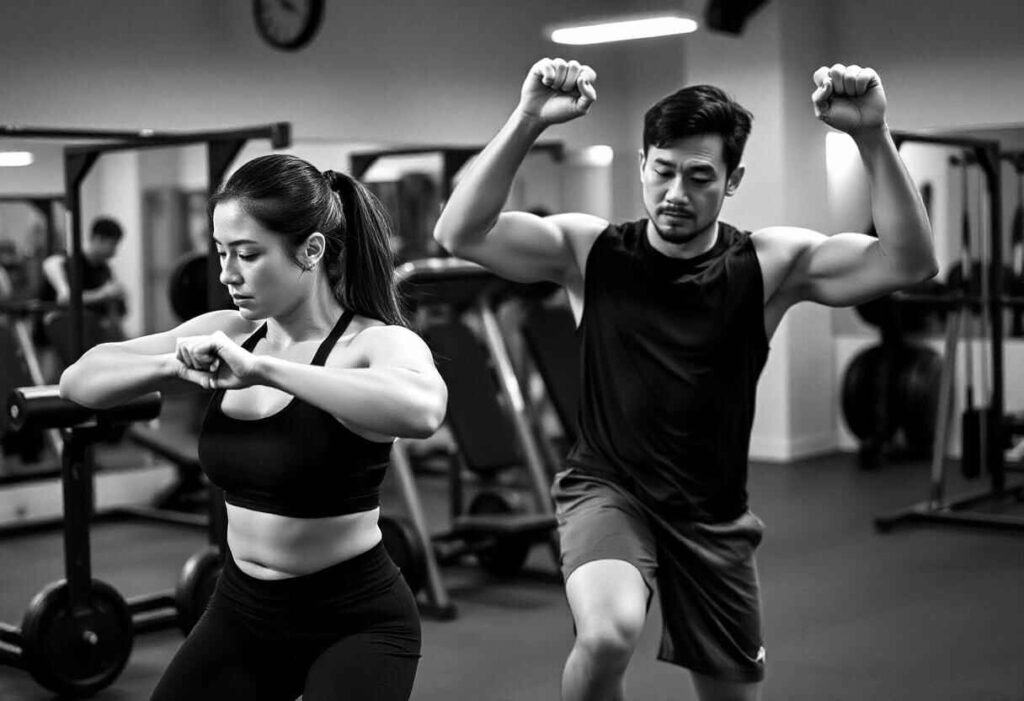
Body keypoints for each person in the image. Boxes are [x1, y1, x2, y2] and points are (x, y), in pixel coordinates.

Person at [433, 58, 936, 701]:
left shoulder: (769, 264)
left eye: (700, 177)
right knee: (608, 634)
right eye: (662, 170)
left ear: (732, 181)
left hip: (712, 515)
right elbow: (460, 232)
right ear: (642, 162)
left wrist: (872, 136)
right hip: (609, 491)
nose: (676, 193)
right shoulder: (592, 253)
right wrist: (529, 118)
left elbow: (909, 262)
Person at [59, 154, 448, 701]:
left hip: (356, 620)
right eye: (221, 252)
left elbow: (423, 410)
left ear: (311, 250)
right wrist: (171, 367)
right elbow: (80, 379)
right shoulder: (229, 329)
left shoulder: (372, 342)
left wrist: (266, 369)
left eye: (247, 254)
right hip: (241, 609)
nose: (226, 273)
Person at [40, 215, 127, 318]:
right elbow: (66, 299)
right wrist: (103, 294)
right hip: (57, 326)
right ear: (98, 239)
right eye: (113, 244)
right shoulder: (68, 262)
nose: (114, 251)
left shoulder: (104, 269)